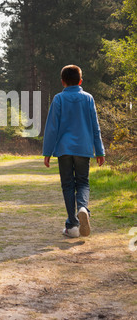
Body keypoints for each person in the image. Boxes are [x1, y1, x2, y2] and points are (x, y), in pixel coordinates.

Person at [43, 65, 105, 238]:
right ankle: (83, 208)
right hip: (83, 149)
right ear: (80, 81)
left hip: (64, 150)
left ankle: (72, 226)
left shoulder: (58, 99)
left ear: (62, 82)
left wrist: (47, 152)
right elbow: (95, 127)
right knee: (83, 182)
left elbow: (52, 128)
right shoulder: (88, 98)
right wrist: (99, 151)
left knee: (68, 185)